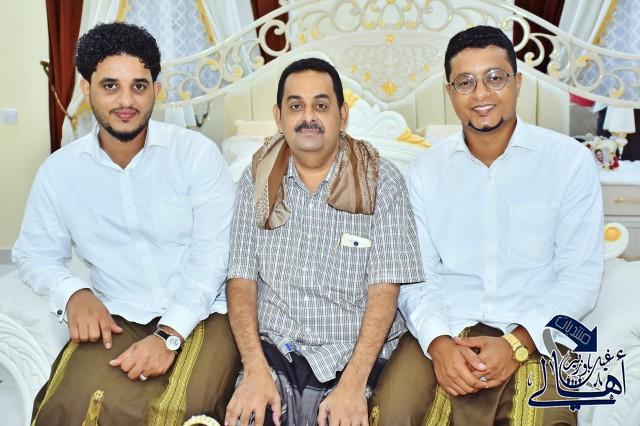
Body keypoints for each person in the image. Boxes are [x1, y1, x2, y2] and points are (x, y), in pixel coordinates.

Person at [369, 25, 603, 426]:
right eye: (466, 82)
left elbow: (580, 276)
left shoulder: (568, 162)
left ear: (517, 83)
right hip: (446, 324)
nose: (481, 95)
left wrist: (517, 344)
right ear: (449, 92)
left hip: (537, 328)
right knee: (389, 415)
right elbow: (416, 275)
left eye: (495, 78)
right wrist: (439, 343)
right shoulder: (424, 172)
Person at [12, 22, 240, 425]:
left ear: (156, 90)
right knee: (69, 408)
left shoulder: (196, 156)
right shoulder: (60, 172)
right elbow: (34, 254)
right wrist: (73, 292)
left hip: (205, 311)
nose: (126, 101)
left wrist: (168, 336)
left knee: (180, 412)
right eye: (110, 86)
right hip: (116, 312)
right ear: (87, 90)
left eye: (139, 86)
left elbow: (214, 256)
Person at [223, 57, 424, 426]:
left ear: (342, 115)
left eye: (320, 105)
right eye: (295, 106)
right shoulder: (257, 179)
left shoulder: (382, 181)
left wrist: (353, 384)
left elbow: (384, 292)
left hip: (354, 357)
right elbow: (241, 281)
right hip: (275, 352)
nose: (308, 117)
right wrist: (254, 369)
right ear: (278, 117)